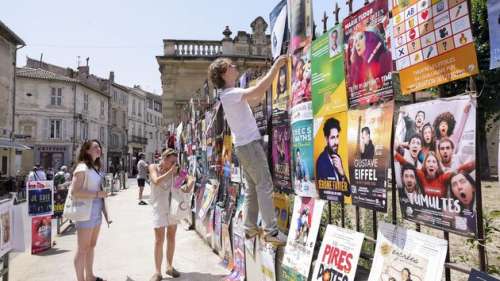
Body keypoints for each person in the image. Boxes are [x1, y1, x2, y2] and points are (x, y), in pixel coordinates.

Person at [208, 55, 288, 246]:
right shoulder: (230, 93)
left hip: (244, 146)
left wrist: (263, 83)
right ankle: (271, 231)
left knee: (253, 187)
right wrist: (276, 66)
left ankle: (250, 227)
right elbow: (259, 90)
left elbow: (257, 97)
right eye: (231, 65)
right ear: (224, 73)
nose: (235, 66)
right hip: (250, 145)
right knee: (265, 184)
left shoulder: (230, 94)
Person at [148, 149, 194, 281]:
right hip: (159, 207)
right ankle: (157, 272)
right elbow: (156, 181)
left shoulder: (176, 170)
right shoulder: (154, 167)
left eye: (176, 161)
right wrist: (170, 172)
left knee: (171, 237)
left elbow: (189, 177)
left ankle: (169, 266)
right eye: (172, 161)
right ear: (164, 158)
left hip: (173, 208)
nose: (175, 164)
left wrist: (189, 185)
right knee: (159, 240)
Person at [70, 139, 110, 281]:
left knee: (91, 246)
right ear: (86, 150)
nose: (98, 149)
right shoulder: (82, 168)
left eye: (99, 146)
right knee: (82, 249)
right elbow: (75, 191)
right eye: (94, 147)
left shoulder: (94, 168)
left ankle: (90, 276)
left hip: (95, 211)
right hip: (85, 212)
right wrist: (98, 194)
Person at [316, 118, 347, 182]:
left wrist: (342, 172)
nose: (336, 142)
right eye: (332, 138)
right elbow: (322, 189)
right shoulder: (321, 161)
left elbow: (347, 189)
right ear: (327, 139)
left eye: (337, 137)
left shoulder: (337, 157)